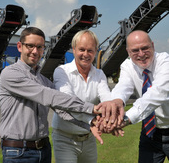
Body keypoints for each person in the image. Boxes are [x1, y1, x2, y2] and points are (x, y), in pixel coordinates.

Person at [0, 27, 119, 163]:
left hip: (43, 149)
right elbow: (49, 96)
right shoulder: (10, 74)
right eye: (30, 46)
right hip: (18, 151)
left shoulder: (42, 80)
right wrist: (92, 108)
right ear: (20, 46)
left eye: (40, 47)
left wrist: (90, 124)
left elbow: (62, 109)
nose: (35, 51)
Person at [110, 30, 169, 163]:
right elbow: (123, 86)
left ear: (153, 45)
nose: (141, 54)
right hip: (151, 130)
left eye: (145, 48)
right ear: (128, 52)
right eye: (135, 50)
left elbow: (157, 94)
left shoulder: (167, 62)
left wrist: (126, 119)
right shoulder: (127, 66)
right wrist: (117, 101)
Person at [52, 30, 122, 163]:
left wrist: (110, 119)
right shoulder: (62, 72)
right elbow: (69, 103)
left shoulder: (99, 74)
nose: (86, 54)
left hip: (88, 139)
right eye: (81, 49)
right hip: (65, 138)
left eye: (90, 50)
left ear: (96, 51)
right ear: (73, 49)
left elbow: (106, 99)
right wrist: (93, 120)